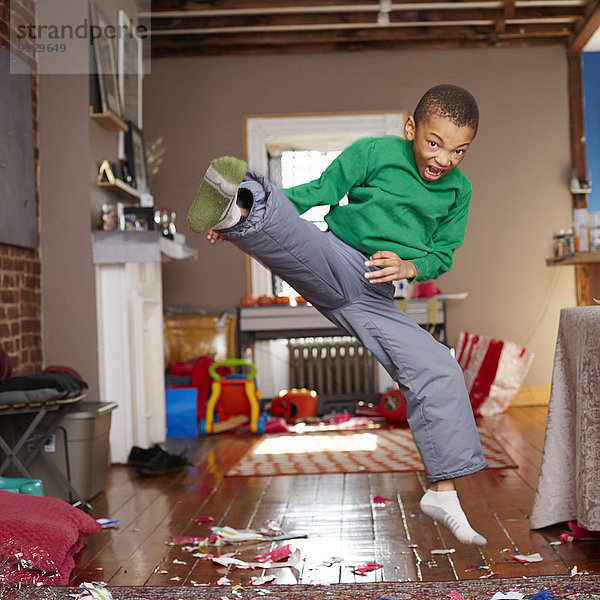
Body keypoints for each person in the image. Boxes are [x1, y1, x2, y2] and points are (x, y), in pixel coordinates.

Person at [187, 84, 487, 547]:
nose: (444, 158)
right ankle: (242, 206)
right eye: (434, 143)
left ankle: (443, 491)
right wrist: (248, 221)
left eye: (459, 150)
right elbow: (317, 192)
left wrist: (410, 266)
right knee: (294, 232)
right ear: (412, 128)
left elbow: (443, 254)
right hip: (337, 258)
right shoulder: (374, 152)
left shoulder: (458, 191)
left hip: (377, 297)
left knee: (440, 366)